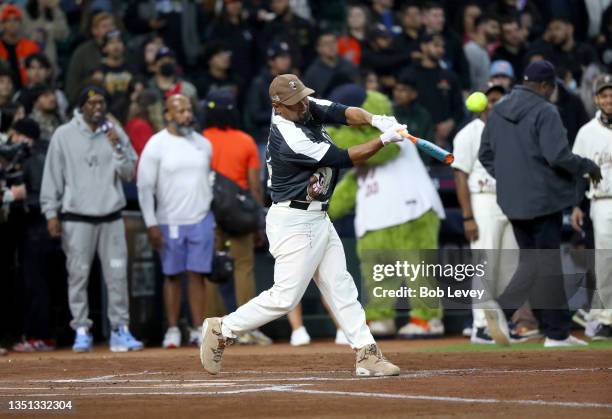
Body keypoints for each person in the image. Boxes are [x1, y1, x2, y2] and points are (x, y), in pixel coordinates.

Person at [200, 74, 404, 376]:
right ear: (278, 106)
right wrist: (383, 140)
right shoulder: (288, 136)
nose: (303, 105)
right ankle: (223, 329)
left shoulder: (304, 105)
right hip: (294, 221)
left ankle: (366, 352)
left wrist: (376, 119)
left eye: (304, 98)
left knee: (341, 286)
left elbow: (343, 112)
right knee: (285, 298)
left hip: (318, 215)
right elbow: (343, 157)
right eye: (295, 103)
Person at [478, 60, 602, 347]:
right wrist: (587, 165)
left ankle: (556, 332)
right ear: (546, 86)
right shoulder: (546, 110)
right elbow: (558, 156)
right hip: (542, 199)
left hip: (511, 200)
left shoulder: (497, 111)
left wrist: (510, 178)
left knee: (542, 263)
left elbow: (485, 154)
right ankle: (503, 307)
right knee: (539, 262)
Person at [40, 85, 143, 353]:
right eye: (92, 103)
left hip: (111, 217)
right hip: (76, 218)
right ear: (81, 105)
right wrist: (50, 212)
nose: (97, 107)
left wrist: (117, 146)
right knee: (78, 276)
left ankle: (120, 329)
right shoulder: (63, 135)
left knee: (117, 275)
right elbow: (52, 177)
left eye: (101, 102)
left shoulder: (114, 131)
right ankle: (82, 330)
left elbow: (129, 172)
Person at [137, 94, 214, 349]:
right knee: (172, 275)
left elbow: (209, 178)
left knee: (198, 275)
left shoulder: (203, 144)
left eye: (188, 110)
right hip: (169, 219)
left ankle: (197, 328)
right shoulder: (156, 144)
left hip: (201, 217)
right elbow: (144, 187)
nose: (186, 115)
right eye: (180, 111)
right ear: (168, 115)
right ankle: (172, 328)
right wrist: (150, 223)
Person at [452, 84, 528, 344]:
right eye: (491, 99)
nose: (495, 104)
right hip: (483, 200)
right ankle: (481, 326)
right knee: (485, 265)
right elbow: (460, 176)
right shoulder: (468, 134)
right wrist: (468, 216)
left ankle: (502, 324)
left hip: (511, 201)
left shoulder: (514, 131)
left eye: (499, 99)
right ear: (482, 103)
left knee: (509, 266)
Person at [202, 89, 272, 346]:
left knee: (210, 269)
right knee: (243, 267)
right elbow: (254, 186)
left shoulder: (201, 140)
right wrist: (257, 221)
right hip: (238, 213)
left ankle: (211, 326)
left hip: (209, 211)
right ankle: (246, 328)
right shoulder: (245, 140)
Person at [6, 118, 57, 352]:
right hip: (33, 229)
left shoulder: (35, 158)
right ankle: (39, 334)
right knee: (35, 284)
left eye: (15, 135)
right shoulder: (32, 155)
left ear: (26, 136)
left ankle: (40, 335)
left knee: (36, 284)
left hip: (37, 230)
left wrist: (18, 197)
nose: (11, 139)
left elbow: (40, 196)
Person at [571, 74, 612, 341]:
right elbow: (578, 172)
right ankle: (605, 318)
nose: (609, 99)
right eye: (604, 95)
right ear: (596, 99)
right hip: (602, 201)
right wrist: (577, 205)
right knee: (605, 262)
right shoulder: (586, 132)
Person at [404, 33, 464, 148]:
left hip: (444, 139)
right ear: (423, 46)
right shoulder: (410, 75)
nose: (441, 50)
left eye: (442, 47)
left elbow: (459, 108)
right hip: (415, 136)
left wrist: (450, 123)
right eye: (436, 45)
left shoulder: (450, 77)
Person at [64, 11, 116, 103]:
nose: (109, 30)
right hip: (90, 98)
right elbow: (72, 87)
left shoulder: (122, 50)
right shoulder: (82, 53)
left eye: (111, 26)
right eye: (104, 26)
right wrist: (91, 81)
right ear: (94, 30)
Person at [302, 32, 358, 99]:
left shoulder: (349, 66)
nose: (331, 46)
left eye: (333, 42)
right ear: (319, 49)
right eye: (326, 44)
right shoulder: (312, 73)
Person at [0, 4, 40, 90]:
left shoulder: (31, 46)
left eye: (16, 20)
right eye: (8, 20)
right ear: (2, 24)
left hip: (27, 89)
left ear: (20, 23)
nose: (12, 23)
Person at [464, 15, 500, 91]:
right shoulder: (471, 50)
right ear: (481, 27)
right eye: (493, 27)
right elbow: (468, 83)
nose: (497, 32)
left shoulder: (484, 50)